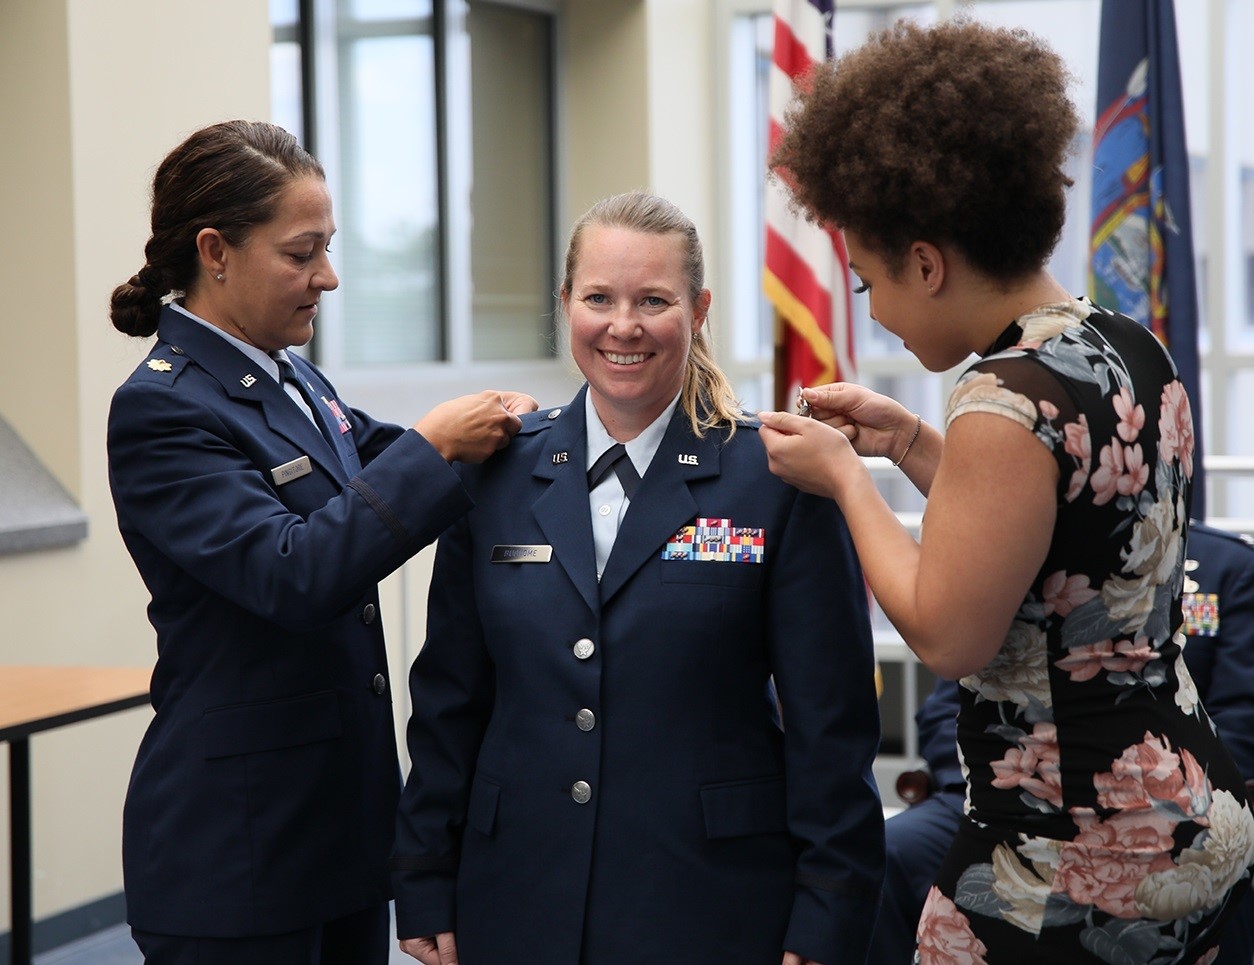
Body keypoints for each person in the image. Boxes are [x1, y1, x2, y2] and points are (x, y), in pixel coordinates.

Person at [758, 19, 1254, 963]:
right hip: (1192, 813)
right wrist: (907, 442)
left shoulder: (1000, 396)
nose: (880, 314)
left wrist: (846, 482)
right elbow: (1066, 540)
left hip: (1075, 851)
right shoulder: (1127, 344)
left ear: (928, 262)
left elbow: (950, 632)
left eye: (868, 285)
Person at [389, 191, 884, 965]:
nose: (623, 326)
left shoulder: (776, 475)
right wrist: (422, 871)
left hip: (709, 902)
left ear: (699, 309)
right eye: (598, 298)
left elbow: (833, 723)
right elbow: (451, 696)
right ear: (565, 304)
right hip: (517, 893)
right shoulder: (495, 472)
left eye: (653, 300)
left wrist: (830, 913)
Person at [107, 120, 535, 964]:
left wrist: (556, 435)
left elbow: (379, 461)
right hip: (236, 853)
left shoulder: (289, 371)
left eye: (328, 249)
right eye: (302, 253)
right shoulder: (163, 408)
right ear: (215, 251)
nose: (327, 278)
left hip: (330, 839)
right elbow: (292, 571)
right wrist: (437, 443)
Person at [871, 522, 1254, 964]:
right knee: (889, 852)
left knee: (1202, 869)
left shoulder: (1227, 567)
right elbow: (946, 705)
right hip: (992, 793)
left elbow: (1241, 724)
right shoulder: (1021, 549)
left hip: (1136, 799)